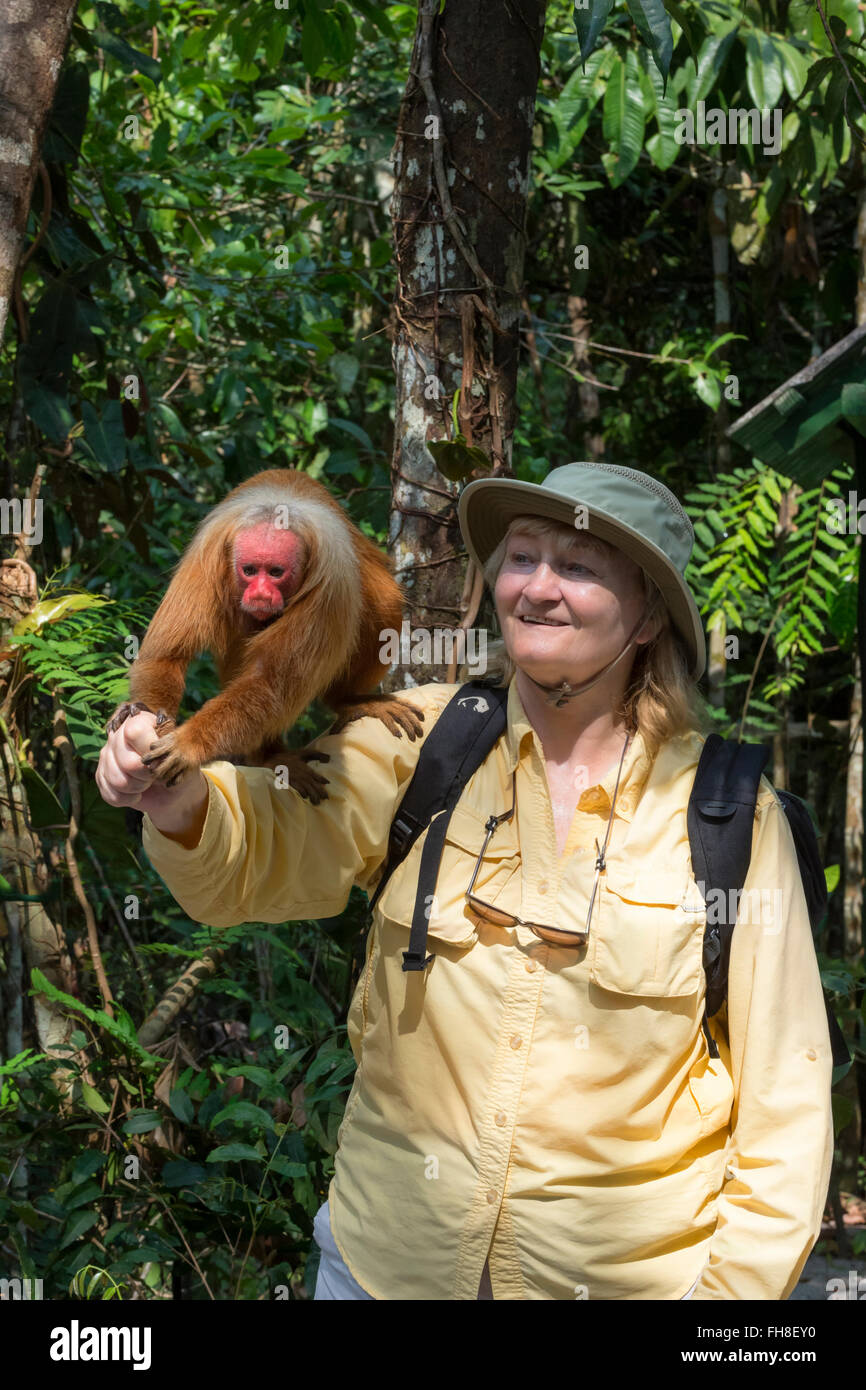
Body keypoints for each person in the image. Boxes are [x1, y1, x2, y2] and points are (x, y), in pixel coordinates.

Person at [96, 462, 834, 1301]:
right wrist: (176, 791)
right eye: (521, 558)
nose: (539, 589)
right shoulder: (425, 747)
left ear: (646, 621)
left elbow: (788, 1098)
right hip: (386, 1270)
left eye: (580, 568)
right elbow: (253, 860)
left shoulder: (728, 813)